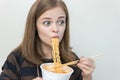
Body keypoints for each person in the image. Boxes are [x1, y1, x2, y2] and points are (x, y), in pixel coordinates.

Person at [0, 0, 95, 80]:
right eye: (47, 23)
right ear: (35, 26)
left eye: (61, 22)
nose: (56, 29)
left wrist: (87, 77)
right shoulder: (16, 59)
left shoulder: (73, 61)